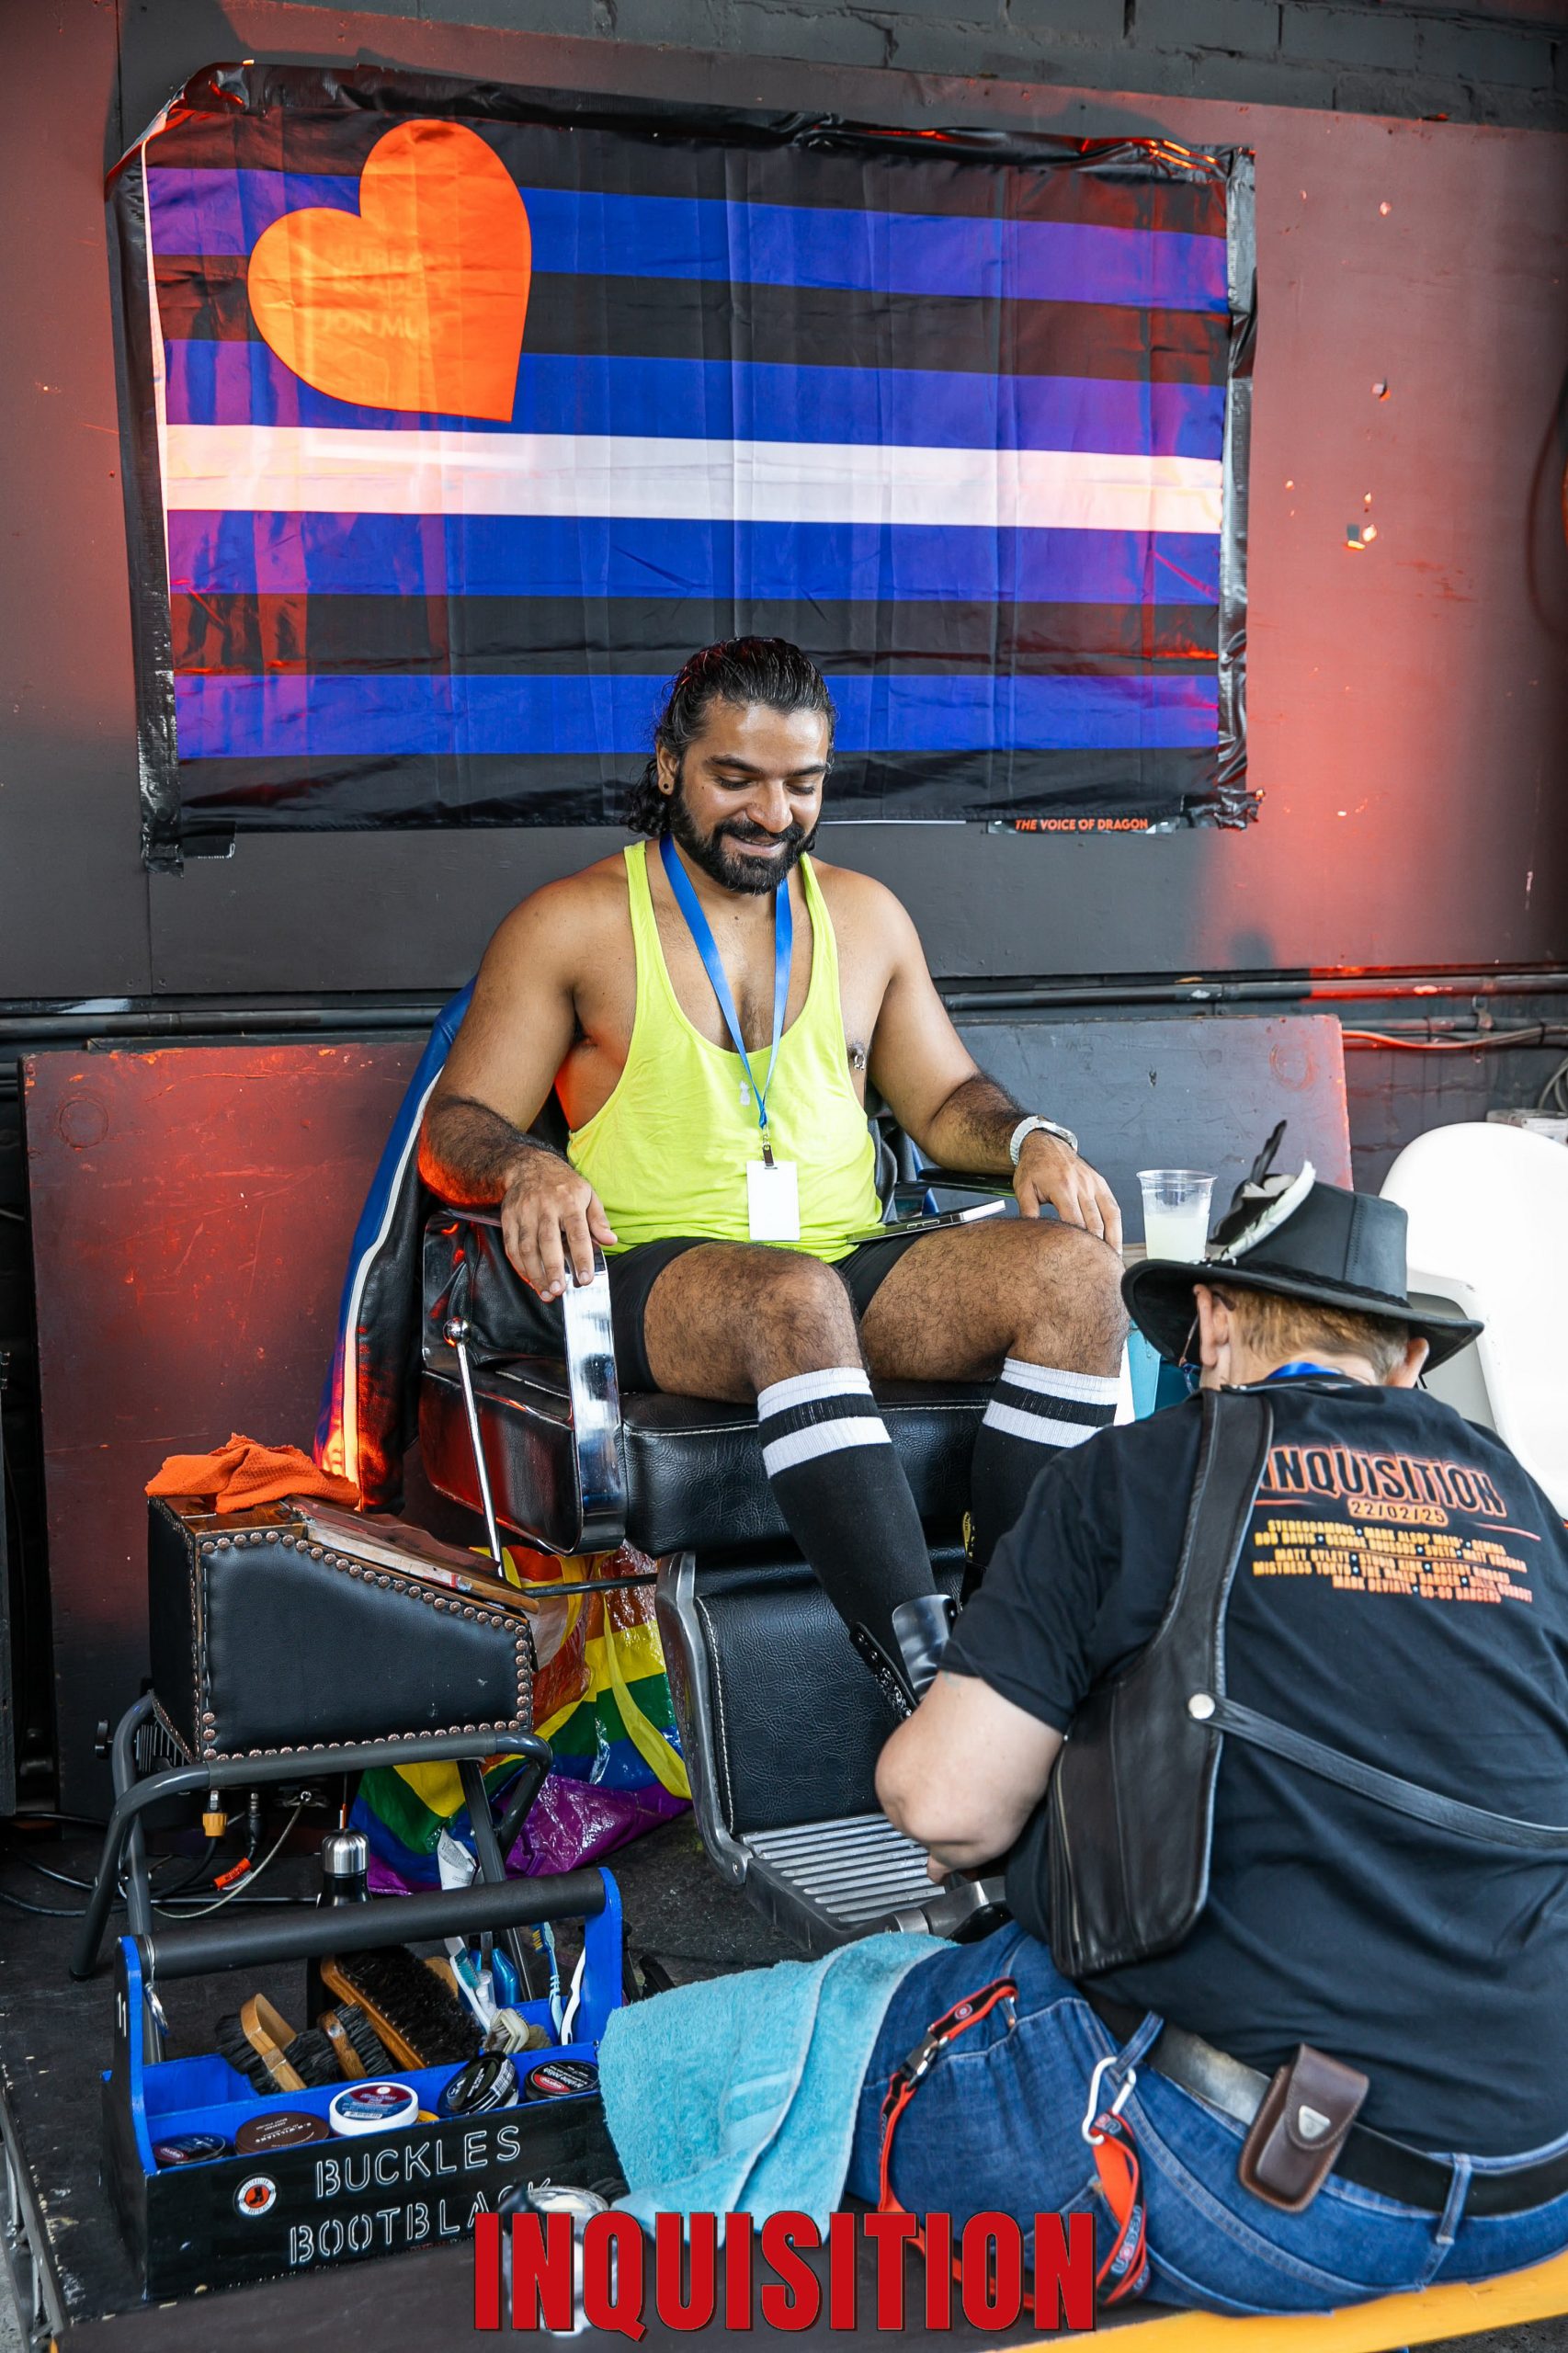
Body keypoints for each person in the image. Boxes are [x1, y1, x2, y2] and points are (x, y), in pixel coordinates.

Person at [857, 1163, 1568, 2313]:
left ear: (1214, 1323)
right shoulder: (1522, 1503)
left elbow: (944, 1806)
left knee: (825, 2033)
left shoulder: (1130, 1475)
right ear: (1405, 1360)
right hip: (1541, 2175)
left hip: (1271, 2190)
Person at [420, 637, 1126, 1708]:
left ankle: (1008, 1648)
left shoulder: (866, 915)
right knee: (791, 1298)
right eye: (735, 778)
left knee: (1079, 1277)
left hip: (844, 1266)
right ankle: (931, 1691)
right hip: (656, 1276)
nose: (771, 812)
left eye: (802, 783)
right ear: (669, 764)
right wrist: (522, 1164)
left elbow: (944, 1101)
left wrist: (1030, 1137)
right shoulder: (573, 923)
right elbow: (453, 1125)